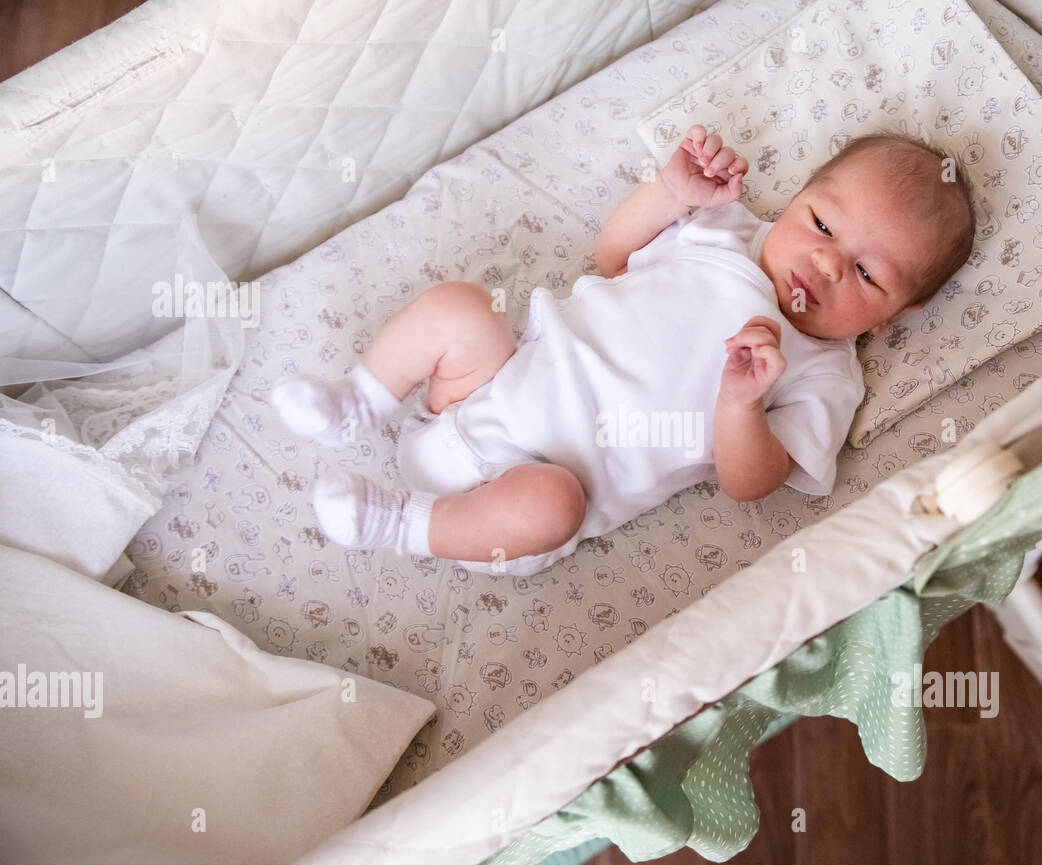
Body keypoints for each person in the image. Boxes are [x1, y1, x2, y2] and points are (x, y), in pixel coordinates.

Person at [270, 125, 975, 575]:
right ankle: (358, 401)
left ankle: (394, 521)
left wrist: (742, 403)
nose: (825, 264)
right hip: (486, 383)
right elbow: (611, 259)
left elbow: (748, 482)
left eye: (866, 273)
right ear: (796, 197)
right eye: (822, 223)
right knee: (462, 306)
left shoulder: (825, 375)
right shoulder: (723, 231)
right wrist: (671, 193)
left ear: (894, 315)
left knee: (555, 508)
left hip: (521, 491)